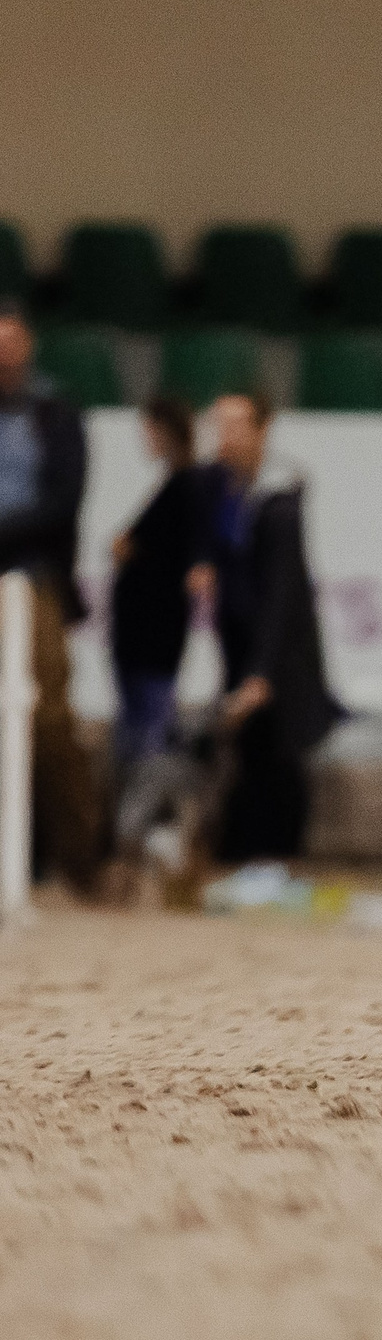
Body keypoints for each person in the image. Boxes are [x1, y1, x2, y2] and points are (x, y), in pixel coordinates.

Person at [203, 392, 343, 864]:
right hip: (240, 645)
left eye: (237, 426)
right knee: (245, 755)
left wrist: (262, 672)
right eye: (220, 425)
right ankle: (245, 858)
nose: (226, 436)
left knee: (278, 759)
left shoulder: (278, 499)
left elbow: (282, 592)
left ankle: (276, 860)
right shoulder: (221, 492)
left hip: (278, 654)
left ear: (262, 431)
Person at [0, 300, 102, 895]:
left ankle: (78, 860)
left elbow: (63, 501)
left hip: (31, 577)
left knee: (50, 718)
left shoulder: (55, 416)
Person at [109, 396, 214, 768]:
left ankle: (147, 814)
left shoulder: (189, 484)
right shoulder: (175, 483)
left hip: (154, 631)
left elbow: (193, 545)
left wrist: (130, 549)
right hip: (141, 631)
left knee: (150, 734)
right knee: (140, 726)